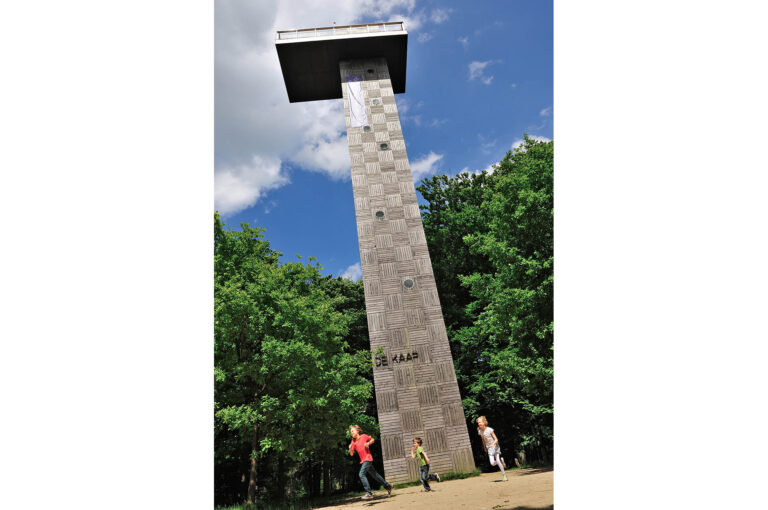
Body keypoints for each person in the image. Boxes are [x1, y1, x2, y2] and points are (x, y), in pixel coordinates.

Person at [348, 425, 393, 500]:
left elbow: (372, 439)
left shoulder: (364, 436)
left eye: (352, 431)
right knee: (375, 475)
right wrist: (350, 449)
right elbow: (351, 454)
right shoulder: (353, 442)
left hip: (368, 458)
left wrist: (368, 443)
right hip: (363, 460)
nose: (351, 432)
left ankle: (369, 493)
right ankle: (388, 486)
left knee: (361, 474)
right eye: (350, 432)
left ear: (358, 431)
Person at [476, 416, 508, 481]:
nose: (479, 424)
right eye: (478, 423)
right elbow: (483, 440)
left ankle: (504, 475)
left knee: (497, 460)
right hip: (489, 447)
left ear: (484, 422)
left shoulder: (490, 430)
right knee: (492, 463)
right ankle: (501, 461)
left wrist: (493, 444)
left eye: (480, 422)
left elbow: (496, 439)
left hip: (495, 446)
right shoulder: (480, 431)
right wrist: (484, 447)